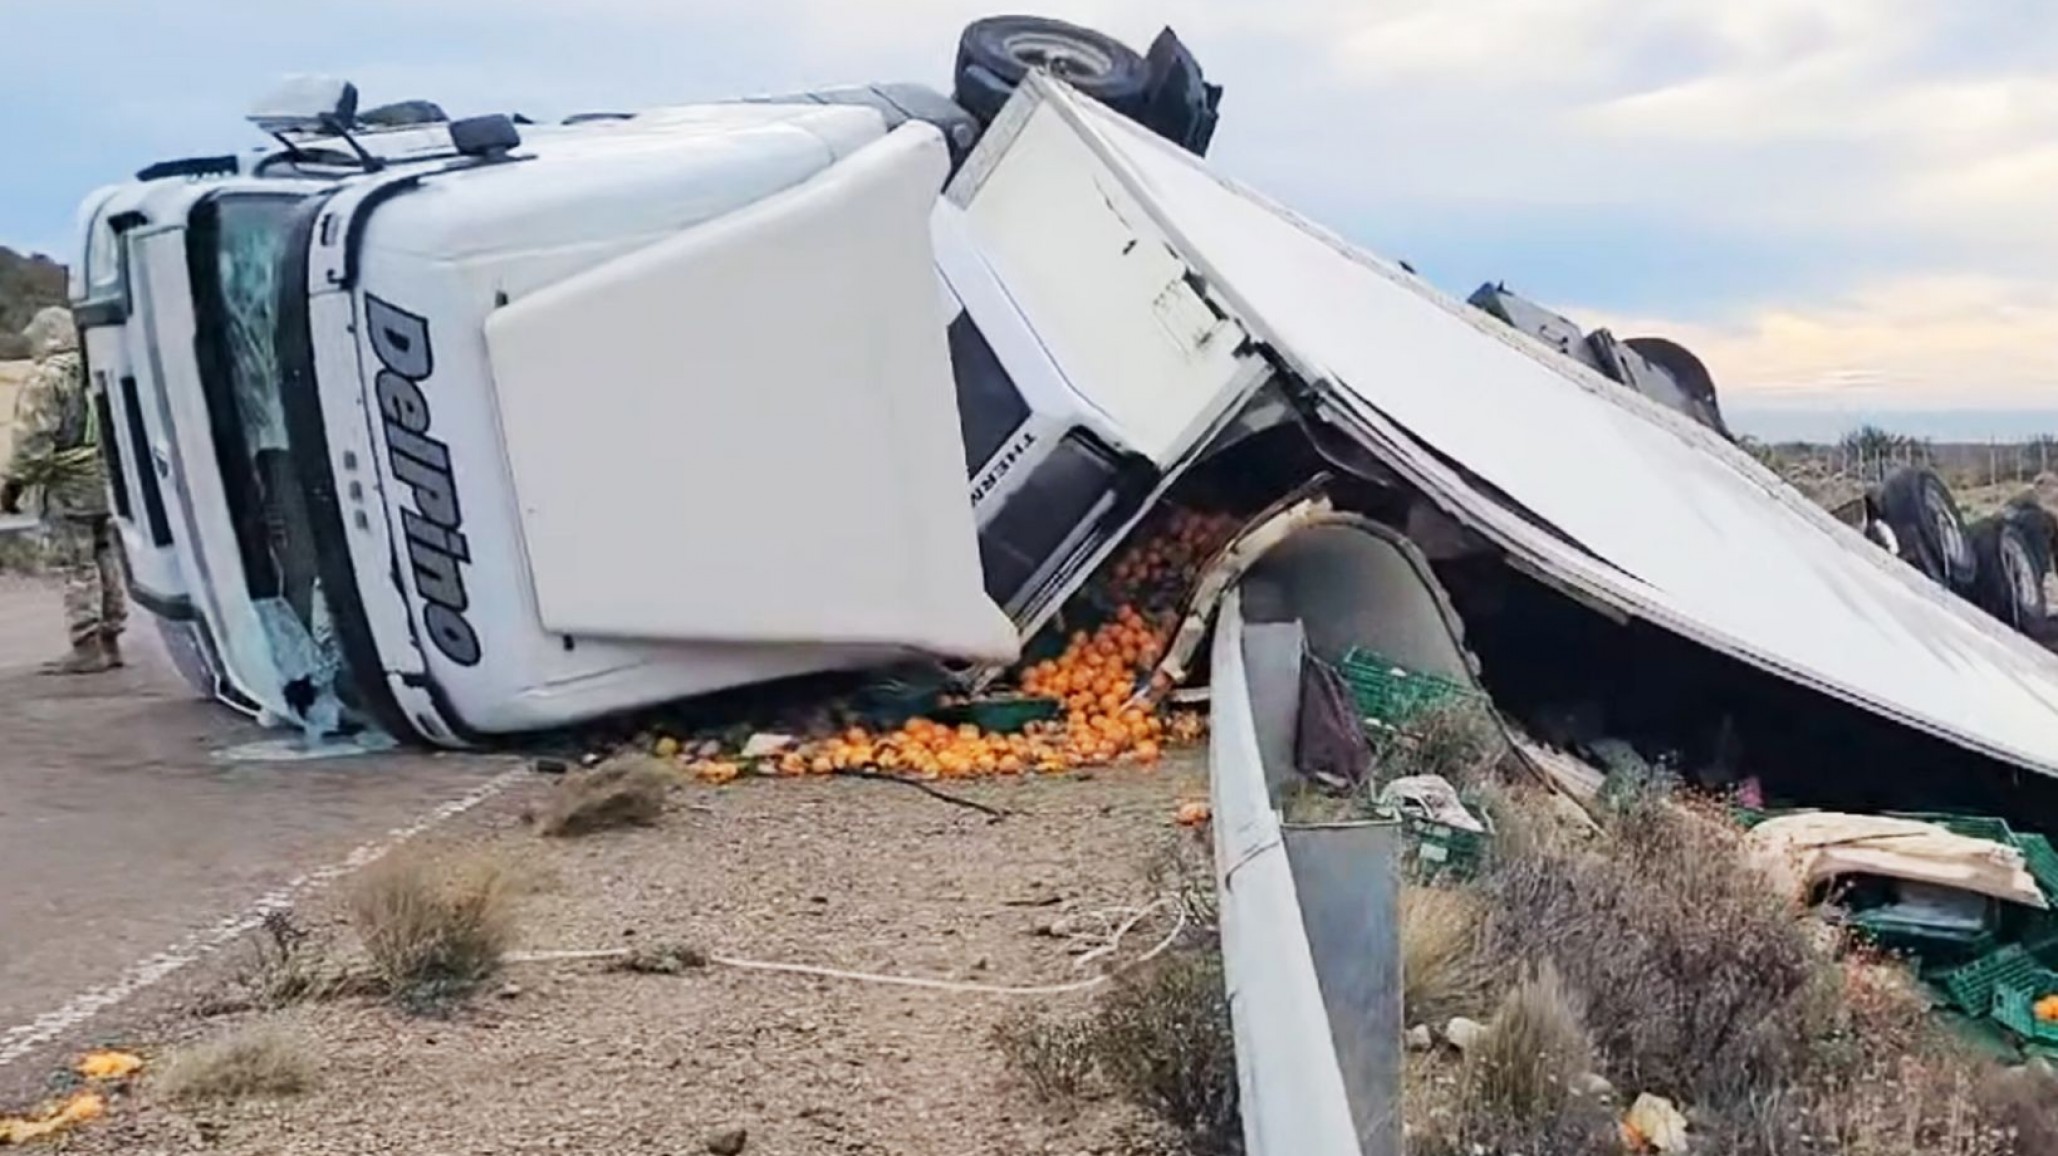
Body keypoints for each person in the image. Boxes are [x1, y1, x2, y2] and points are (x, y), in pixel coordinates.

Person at [1, 307, 126, 673]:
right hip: (104, 480)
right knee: (105, 555)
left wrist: (13, 485)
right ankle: (111, 639)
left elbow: (33, 441)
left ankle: (86, 644)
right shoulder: (95, 367)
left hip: (68, 485)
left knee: (77, 562)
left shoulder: (46, 380)